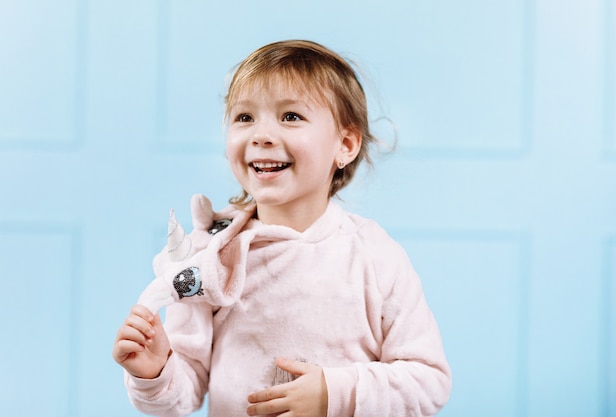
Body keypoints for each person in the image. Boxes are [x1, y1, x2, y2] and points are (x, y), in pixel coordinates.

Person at [112, 39, 452, 417]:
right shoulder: (207, 258)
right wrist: (155, 372)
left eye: (290, 116)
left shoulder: (374, 256)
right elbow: (183, 392)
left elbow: (427, 383)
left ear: (346, 144)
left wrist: (333, 393)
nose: (261, 135)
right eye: (244, 118)